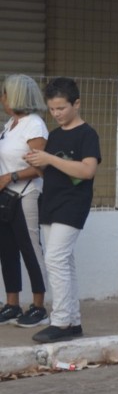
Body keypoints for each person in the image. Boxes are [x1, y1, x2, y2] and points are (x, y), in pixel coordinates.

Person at [24, 78, 100, 344]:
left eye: (61, 108)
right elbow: (52, 171)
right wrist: (37, 162)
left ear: (76, 104)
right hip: (51, 202)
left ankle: (61, 321)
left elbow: (87, 170)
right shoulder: (54, 135)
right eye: (52, 109)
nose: (56, 114)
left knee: (55, 259)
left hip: (73, 204)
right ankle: (73, 321)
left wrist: (48, 158)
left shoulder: (87, 134)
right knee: (64, 261)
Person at [0, 74, 49, 329]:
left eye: (5, 94)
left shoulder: (34, 126)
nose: (2, 98)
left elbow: (40, 167)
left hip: (26, 195)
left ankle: (39, 306)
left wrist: (10, 177)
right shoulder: (11, 124)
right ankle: (12, 304)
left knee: (30, 248)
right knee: (7, 249)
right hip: (6, 197)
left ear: (16, 96)